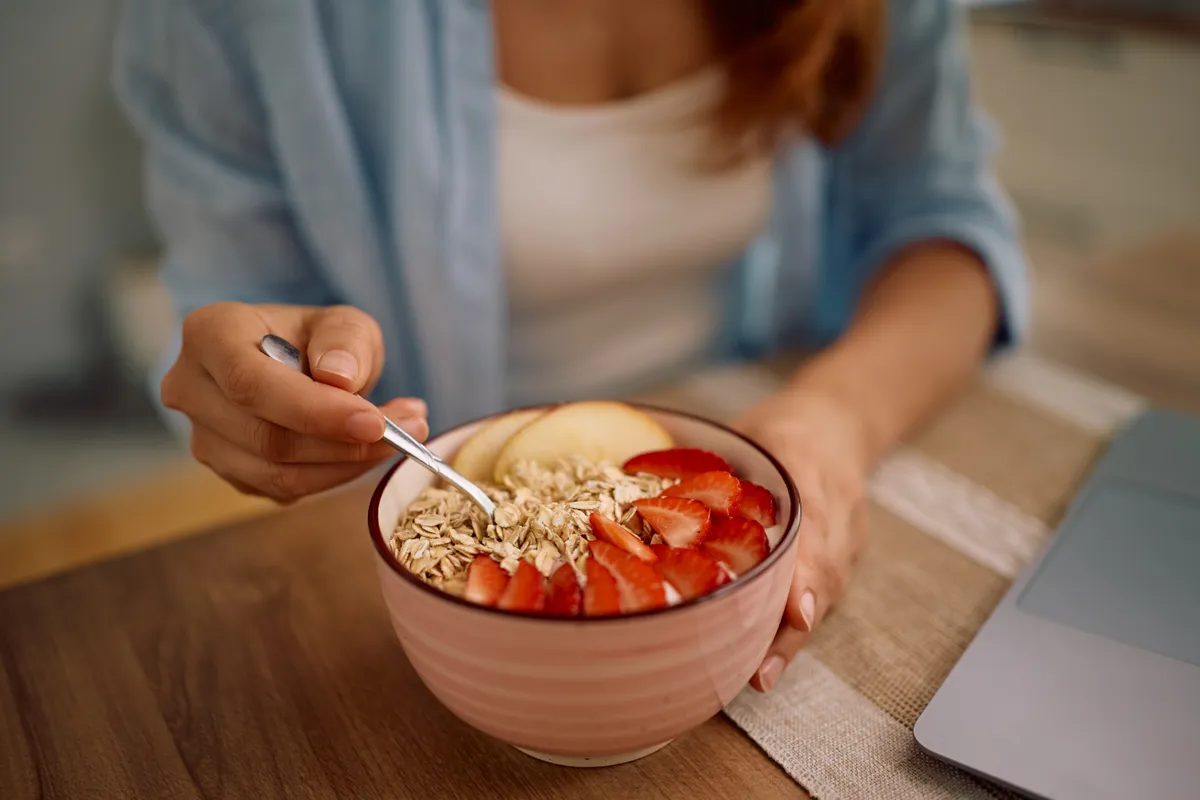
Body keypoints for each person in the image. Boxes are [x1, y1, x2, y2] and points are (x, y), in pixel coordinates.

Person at [112, 0, 1029, 693]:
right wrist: (265, 373)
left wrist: (832, 414)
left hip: (752, 424)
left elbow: (942, 224)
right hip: (385, 549)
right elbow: (243, 303)